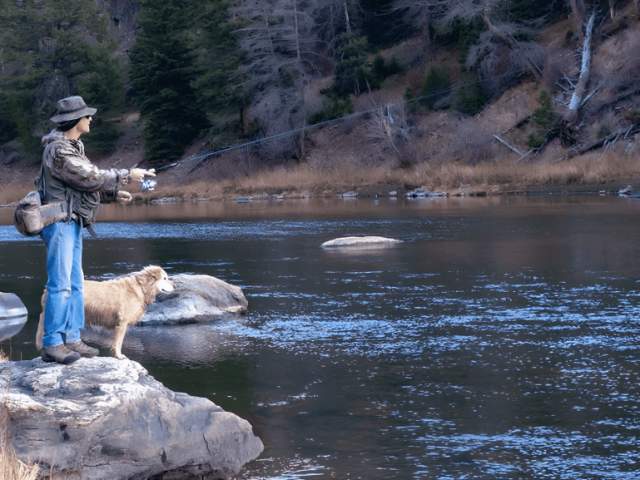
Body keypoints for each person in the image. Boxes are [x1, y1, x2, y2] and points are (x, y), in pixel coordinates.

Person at [38, 95, 155, 364]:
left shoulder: (72, 146)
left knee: (76, 284)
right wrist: (128, 174)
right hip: (59, 223)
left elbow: (82, 186)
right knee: (60, 285)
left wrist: (114, 195)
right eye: (86, 116)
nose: (91, 119)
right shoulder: (59, 150)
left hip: (73, 220)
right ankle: (53, 344)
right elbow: (89, 177)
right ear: (75, 120)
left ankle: (71, 338)